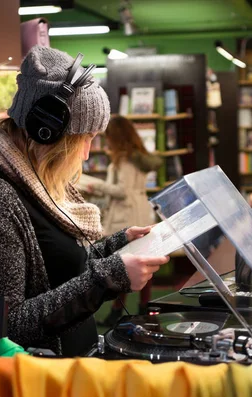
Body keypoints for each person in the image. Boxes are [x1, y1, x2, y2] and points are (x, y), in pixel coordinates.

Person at [0, 46, 168, 357]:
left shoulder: (45, 186)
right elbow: (2, 330)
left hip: (72, 369)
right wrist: (108, 278)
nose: (86, 154)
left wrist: (119, 245)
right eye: (84, 140)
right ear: (47, 134)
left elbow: (62, 269)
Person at [86, 116, 163, 325]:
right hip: (139, 211)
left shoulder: (125, 160)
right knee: (140, 261)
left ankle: (118, 310)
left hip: (125, 216)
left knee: (123, 262)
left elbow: (122, 192)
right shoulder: (138, 158)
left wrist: (97, 185)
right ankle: (140, 307)